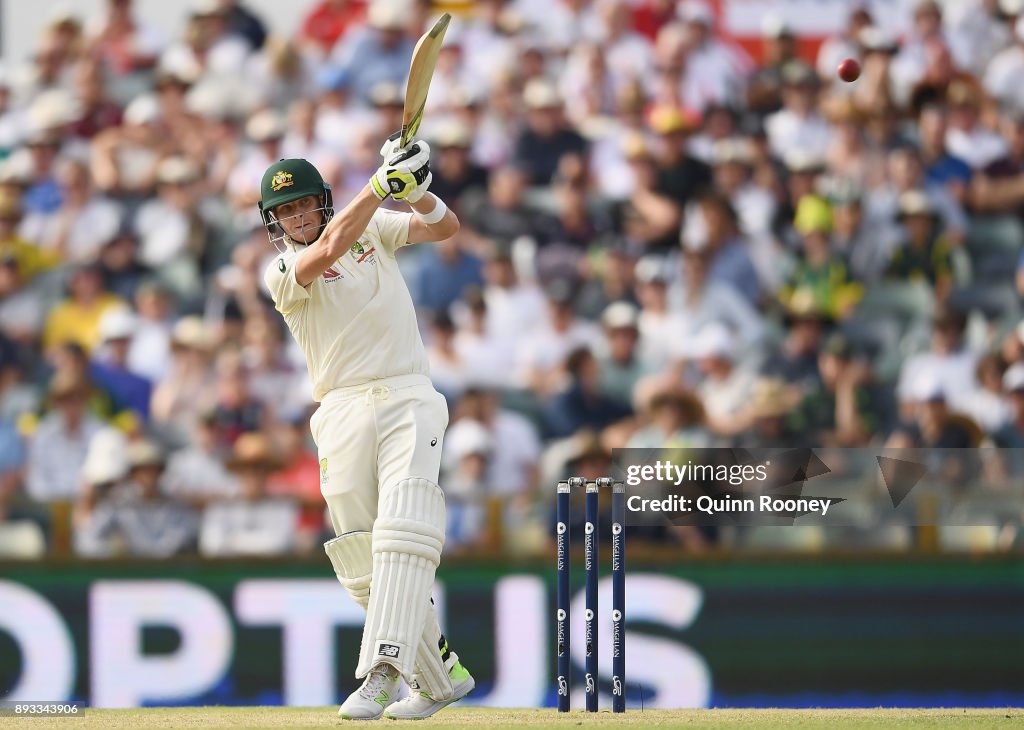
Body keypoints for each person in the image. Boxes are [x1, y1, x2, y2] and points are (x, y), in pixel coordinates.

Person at [258, 140, 473, 720]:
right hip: (341, 409)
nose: (299, 218)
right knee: (361, 557)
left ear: (322, 202)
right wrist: (381, 183)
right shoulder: (277, 270)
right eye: (287, 212)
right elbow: (330, 247)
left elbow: (444, 229)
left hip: (407, 392)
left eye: (306, 205)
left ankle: (380, 671)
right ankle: (440, 678)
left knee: (404, 526)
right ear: (274, 221)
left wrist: (418, 190)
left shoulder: (372, 225)